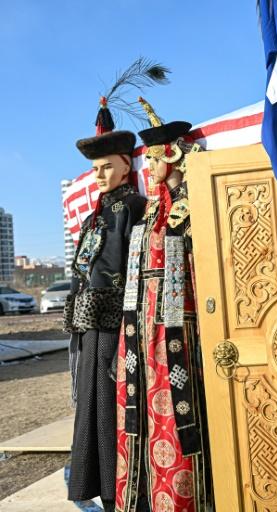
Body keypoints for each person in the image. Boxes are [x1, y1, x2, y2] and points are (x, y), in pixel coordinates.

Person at [115, 97, 211, 512]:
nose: (149, 168)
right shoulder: (152, 210)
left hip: (178, 327)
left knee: (178, 411)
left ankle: (184, 498)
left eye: (154, 159)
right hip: (141, 327)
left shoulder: (193, 206)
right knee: (141, 412)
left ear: (171, 155)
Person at [65, 96, 147, 512]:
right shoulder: (94, 215)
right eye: (95, 169)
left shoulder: (135, 208)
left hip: (118, 323)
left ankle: (120, 492)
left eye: (106, 167)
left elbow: (136, 268)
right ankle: (90, 485)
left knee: (112, 404)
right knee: (89, 405)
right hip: (88, 324)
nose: (99, 175)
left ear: (126, 165)